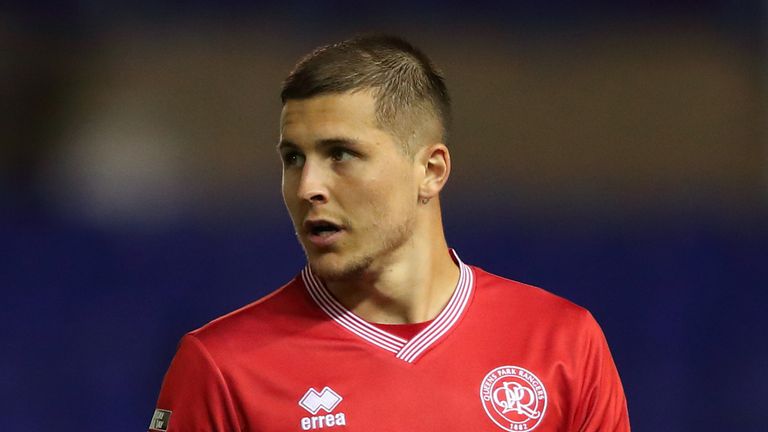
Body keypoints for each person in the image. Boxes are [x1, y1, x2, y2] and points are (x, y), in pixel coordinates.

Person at [148, 35, 630, 432]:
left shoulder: (563, 344)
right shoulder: (222, 368)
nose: (308, 187)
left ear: (431, 170)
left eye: (340, 154)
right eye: (293, 158)